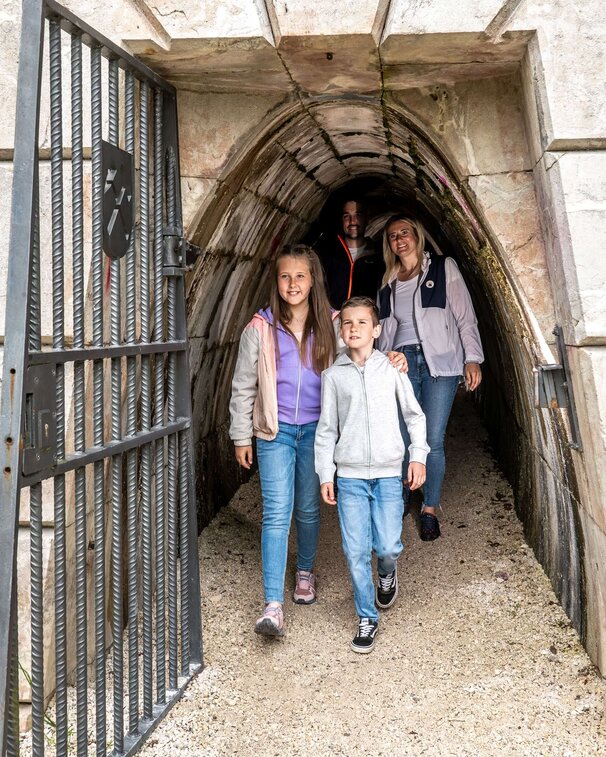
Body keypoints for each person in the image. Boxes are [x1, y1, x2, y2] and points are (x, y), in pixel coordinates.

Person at [229, 245, 338, 637]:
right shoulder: (260, 327)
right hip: (273, 433)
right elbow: (243, 386)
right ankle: (273, 603)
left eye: (300, 276)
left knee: (308, 509)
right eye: (285, 276)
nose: (292, 284)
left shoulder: (333, 323)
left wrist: (395, 358)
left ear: (313, 281)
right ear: (276, 281)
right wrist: (241, 435)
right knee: (277, 511)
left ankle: (305, 572)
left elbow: (360, 362)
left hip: (316, 432)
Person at [314, 296, 428, 653]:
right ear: (341, 330)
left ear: (377, 330)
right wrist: (325, 473)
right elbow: (326, 429)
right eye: (347, 323)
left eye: (362, 322)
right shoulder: (333, 377)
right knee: (354, 549)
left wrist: (418, 456)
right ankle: (366, 617)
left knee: (388, 545)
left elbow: (414, 415)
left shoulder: (392, 369)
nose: (354, 328)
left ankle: (387, 572)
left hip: (387, 472)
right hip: (348, 477)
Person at [377, 215, 484, 541]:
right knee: (404, 436)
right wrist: (377, 366)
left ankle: (429, 509)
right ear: (389, 245)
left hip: (440, 363)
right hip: (401, 363)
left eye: (405, 232)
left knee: (433, 438)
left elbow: (465, 316)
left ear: (417, 235)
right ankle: (404, 493)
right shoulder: (388, 282)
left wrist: (472, 358)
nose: (400, 240)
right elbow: (381, 332)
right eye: (393, 236)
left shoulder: (441, 267)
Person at [319, 198, 385, 308]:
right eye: (346, 216)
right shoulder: (327, 254)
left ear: (366, 219)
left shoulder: (378, 255)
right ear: (341, 220)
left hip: (366, 320)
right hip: (333, 320)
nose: (352, 221)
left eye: (358, 215)